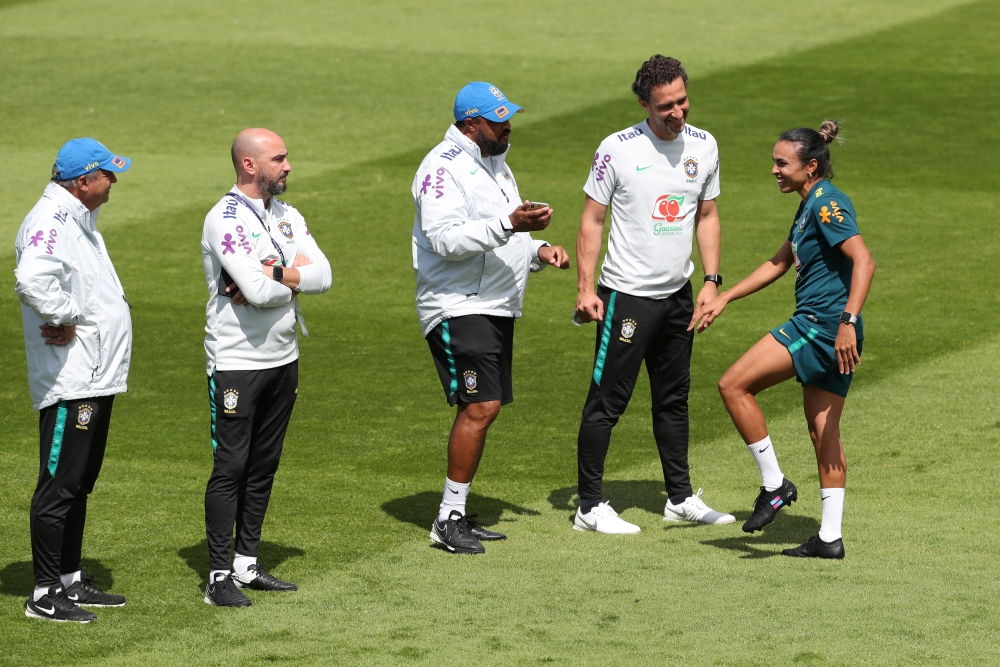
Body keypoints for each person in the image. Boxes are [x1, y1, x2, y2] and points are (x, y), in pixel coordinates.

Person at [693, 120, 876, 559]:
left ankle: (774, 484)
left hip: (821, 326)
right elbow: (779, 262)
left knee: (733, 385)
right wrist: (725, 295)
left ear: (810, 166)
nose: (774, 170)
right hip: (833, 330)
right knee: (823, 432)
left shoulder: (827, 203)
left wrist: (847, 321)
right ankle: (829, 538)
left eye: (782, 163)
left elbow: (864, 261)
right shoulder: (809, 203)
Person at [572, 55, 734, 534]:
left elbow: (707, 215)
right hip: (626, 297)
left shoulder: (704, 145)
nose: (677, 112)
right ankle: (589, 507)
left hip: (679, 296)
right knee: (607, 402)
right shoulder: (616, 149)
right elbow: (592, 219)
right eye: (666, 106)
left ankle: (679, 499)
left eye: (682, 101)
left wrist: (711, 280)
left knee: (674, 400)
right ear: (645, 104)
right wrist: (585, 288)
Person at [412, 82, 570, 555]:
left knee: (484, 407)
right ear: (470, 124)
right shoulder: (441, 168)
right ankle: (448, 518)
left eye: (508, 117)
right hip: (458, 303)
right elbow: (444, 238)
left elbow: (501, 232)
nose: (508, 127)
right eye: (498, 120)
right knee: (481, 407)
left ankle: (457, 511)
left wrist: (538, 250)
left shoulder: (496, 162)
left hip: (495, 303)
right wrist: (510, 224)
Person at [201, 128, 332, 605]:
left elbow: (325, 275)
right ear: (249, 165)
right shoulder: (225, 218)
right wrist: (294, 278)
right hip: (237, 362)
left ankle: (246, 563)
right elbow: (256, 294)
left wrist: (273, 272)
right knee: (231, 467)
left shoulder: (287, 215)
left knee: (264, 465)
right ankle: (218, 577)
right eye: (279, 159)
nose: (288, 166)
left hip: (284, 357)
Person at [14, 138, 133, 623]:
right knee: (59, 485)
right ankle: (44, 594)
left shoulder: (78, 218)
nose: (114, 181)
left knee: (79, 482)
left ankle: (69, 579)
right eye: (107, 174)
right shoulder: (51, 221)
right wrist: (65, 316)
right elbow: (31, 279)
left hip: (94, 374)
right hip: (72, 377)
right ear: (83, 181)